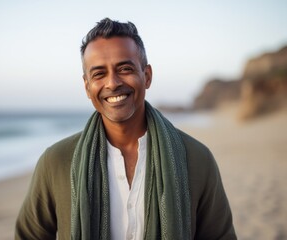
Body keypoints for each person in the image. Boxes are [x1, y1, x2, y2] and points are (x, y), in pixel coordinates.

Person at [15, 18, 236, 240]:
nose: (112, 83)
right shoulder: (56, 162)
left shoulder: (196, 159)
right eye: (99, 74)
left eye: (125, 68)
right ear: (87, 86)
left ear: (147, 76)